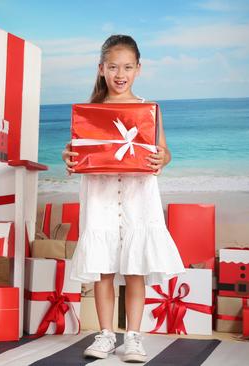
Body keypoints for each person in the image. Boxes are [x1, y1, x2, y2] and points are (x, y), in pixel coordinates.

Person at [62, 35, 184, 363]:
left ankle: (132, 336)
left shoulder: (148, 110)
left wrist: (164, 158)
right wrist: (69, 158)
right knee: (102, 268)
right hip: (100, 195)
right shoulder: (89, 113)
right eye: (113, 66)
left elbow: (163, 150)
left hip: (137, 197)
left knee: (135, 269)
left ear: (138, 69)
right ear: (101, 69)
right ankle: (105, 335)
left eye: (128, 67)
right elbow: (77, 151)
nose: (120, 73)